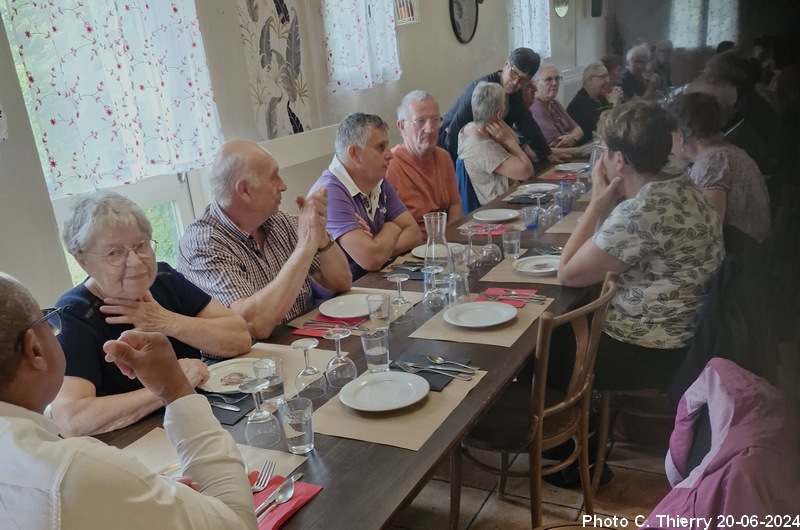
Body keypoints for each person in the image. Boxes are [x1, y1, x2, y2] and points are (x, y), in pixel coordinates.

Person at [0, 273, 256, 529]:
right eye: (48, 321)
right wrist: (176, 390)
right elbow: (238, 523)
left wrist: (137, 495)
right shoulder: (75, 472)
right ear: (35, 349)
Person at [51, 191, 251, 437]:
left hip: (201, 421)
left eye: (140, 245)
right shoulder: (74, 315)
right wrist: (172, 386)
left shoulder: (164, 279)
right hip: (136, 447)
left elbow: (240, 336)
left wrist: (166, 321)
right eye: (114, 253)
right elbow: (72, 419)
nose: (135, 262)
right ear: (82, 262)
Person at [558, 101, 724, 391]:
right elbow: (603, 253)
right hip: (685, 341)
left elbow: (568, 274)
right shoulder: (681, 186)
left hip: (649, 353)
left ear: (619, 159)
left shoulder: (643, 211)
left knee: (543, 350)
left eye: (603, 152)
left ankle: (568, 432)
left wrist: (596, 205)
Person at [178, 141, 352, 339]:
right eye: (273, 177)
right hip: (246, 362)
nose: (283, 185)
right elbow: (253, 325)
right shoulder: (203, 244)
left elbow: (342, 282)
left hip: (299, 340)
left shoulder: (277, 220)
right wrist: (305, 245)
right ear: (244, 190)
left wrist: (319, 234)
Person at [310, 113, 422, 279]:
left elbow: (414, 234)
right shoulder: (330, 192)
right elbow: (371, 259)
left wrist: (377, 244)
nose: (390, 154)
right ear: (354, 154)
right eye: (380, 147)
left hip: (372, 283)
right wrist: (392, 227)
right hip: (339, 297)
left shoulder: (378, 181)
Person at [438, 47, 569, 168]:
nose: (515, 82)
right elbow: (454, 130)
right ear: (506, 64)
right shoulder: (481, 90)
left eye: (523, 80)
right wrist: (454, 169)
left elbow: (528, 124)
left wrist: (547, 154)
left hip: (483, 150)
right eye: (514, 74)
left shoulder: (515, 94)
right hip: (452, 148)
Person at [669, 92, 770, 243]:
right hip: (750, 252)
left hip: (743, 258)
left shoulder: (713, 163)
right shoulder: (724, 152)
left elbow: (706, 231)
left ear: (680, 135)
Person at [386, 90, 462, 237]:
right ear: (402, 127)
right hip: (410, 249)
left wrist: (446, 242)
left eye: (435, 119)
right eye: (420, 121)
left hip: (444, 241)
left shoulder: (443, 157)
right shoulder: (390, 167)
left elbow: (455, 206)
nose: (430, 129)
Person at [457, 81, 534, 205]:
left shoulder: (470, 128)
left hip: (510, 199)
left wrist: (498, 121)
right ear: (499, 113)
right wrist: (509, 142)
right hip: (502, 206)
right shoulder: (483, 148)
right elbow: (527, 172)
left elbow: (516, 139)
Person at [529, 64, 591, 157]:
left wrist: (572, 137)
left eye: (557, 79)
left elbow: (579, 130)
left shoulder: (554, 103)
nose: (554, 83)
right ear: (535, 83)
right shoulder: (536, 107)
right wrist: (579, 149)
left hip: (567, 154)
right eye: (548, 79)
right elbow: (557, 144)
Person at [567, 62, 622, 145]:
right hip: (583, 150)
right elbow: (605, 129)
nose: (608, 81)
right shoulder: (581, 103)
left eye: (607, 76)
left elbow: (616, 124)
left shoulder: (600, 98)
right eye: (603, 77)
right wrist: (613, 102)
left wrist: (617, 102)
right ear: (590, 80)